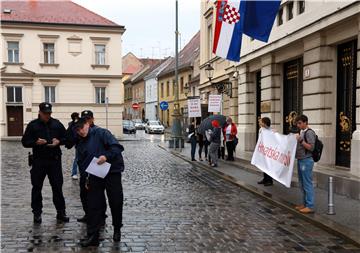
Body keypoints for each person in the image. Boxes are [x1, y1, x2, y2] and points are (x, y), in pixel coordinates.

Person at [75, 117, 125, 247]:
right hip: (95, 174)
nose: (81, 131)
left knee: (116, 201)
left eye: (82, 127)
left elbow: (117, 147)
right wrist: (85, 177)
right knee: (93, 204)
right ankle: (93, 236)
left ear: (88, 124)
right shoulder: (80, 142)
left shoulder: (102, 133)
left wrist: (106, 156)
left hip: (112, 171)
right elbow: (81, 162)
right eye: (78, 129)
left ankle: (117, 228)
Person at [21, 102, 69, 224]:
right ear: (40, 112)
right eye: (45, 113)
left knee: (57, 187)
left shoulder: (57, 124)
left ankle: (61, 212)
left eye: (49, 113)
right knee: (37, 187)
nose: (47, 115)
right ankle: (37, 213)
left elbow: (67, 139)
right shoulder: (33, 125)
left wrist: (59, 141)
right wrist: (36, 142)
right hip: (39, 161)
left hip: (54, 160)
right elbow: (25, 142)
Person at [75, 110, 107, 224]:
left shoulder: (98, 132)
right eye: (84, 119)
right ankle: (88, 214)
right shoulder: (79, 131)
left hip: (96, 167)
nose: (87, 121)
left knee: (98, 194)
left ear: (92, 119)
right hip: (84, 167)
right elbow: (69, 141)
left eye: (88, 118)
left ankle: (101, 215)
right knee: (84, 192)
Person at [294, 115, 316, 214]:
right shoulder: (302, 132)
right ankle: (305, 204)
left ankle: (310, 206)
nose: (298, 125)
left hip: (306, 160)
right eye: (297, 123)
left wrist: (301, 140)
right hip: (301, 159)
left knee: (307, 183)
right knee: (302, 183)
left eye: (299, 123)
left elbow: (311, 147)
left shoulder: (309, 132)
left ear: (305, 122)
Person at [257, 117, 274, 186]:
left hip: (269, 151)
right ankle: (265, 179)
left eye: (261, 121)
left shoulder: (271, 130)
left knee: (269, 166)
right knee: (264, 165)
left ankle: (269, 180)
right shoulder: (261, 129)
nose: (259, 122)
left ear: (264, 123)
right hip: (263, 150)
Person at [68, 112, 79, 180]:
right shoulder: (72, 124)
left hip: (81, 142)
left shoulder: (80, 123)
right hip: (78, 143)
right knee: (77, 158)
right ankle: (74, 173)